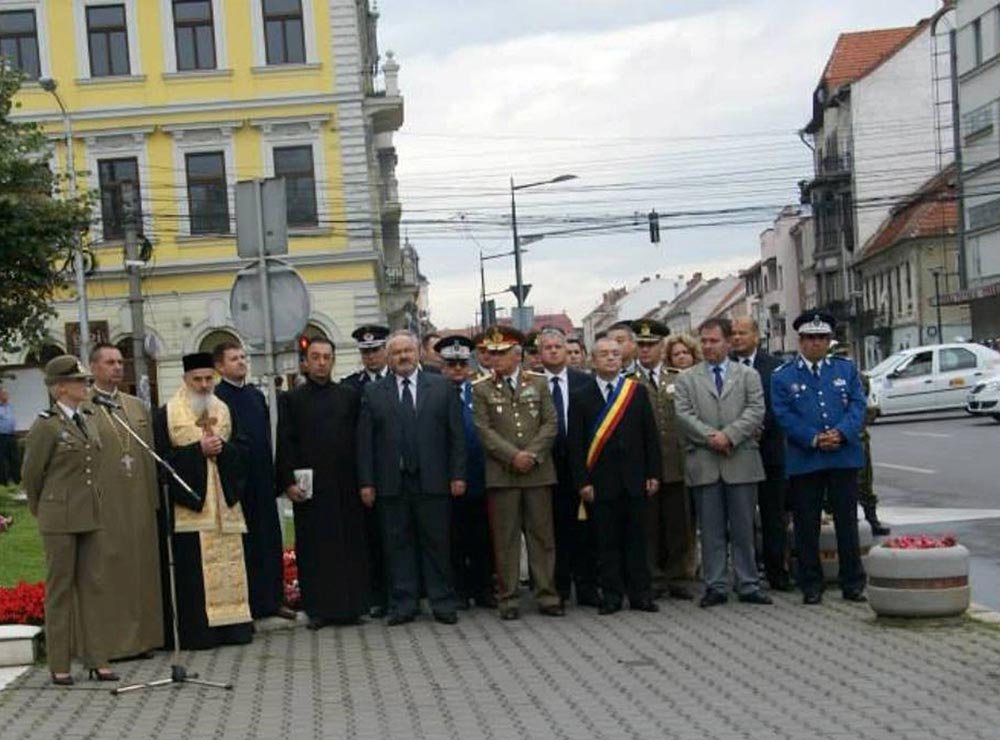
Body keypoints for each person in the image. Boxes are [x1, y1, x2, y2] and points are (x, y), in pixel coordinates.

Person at [357, 331, 466, 625]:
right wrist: (367, 482)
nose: (403, 357)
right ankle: (404, 604)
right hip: (392, 483)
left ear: (418, 352)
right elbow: (365, 443)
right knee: (398, 545)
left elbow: (456, 437)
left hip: (434, 480)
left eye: (407, 351)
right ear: (388, 359)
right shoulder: (374, 392)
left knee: (437, 543)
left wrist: (458, 475)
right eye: (396, 353)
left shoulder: (442, 387)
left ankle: (442, 602)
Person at [21, 356, 117, 685]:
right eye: (79, 381)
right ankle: (59, 664)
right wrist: (43, 508)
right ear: (60, 387)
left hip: (89, 512)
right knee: (60, 590)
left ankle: (97, 658)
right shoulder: (46, 426)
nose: (85, 386)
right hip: (58, 515)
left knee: (93, 587)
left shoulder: (87, 419)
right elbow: (31, 475)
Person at [153, 352, 253, 650]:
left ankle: (234, 630)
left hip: (225, 507)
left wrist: (223, 449)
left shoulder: (224, 409)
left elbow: (243, 450)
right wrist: (198, 451)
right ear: (185, 380)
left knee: (231, 569)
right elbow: (162, 463)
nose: (204, 385)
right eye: (197, 379)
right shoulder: (168, 413)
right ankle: (200, 634)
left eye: (209, 378)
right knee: (194, 576)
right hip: (191, 509)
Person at [771, 313, 868, 605]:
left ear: (828, 341)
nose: (816, 343)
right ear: (800, 342)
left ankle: (853, 583)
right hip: (806, 459)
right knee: (806, 525)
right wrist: (813, 438)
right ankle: (811, 584)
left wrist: (841, 433)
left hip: (842, 456)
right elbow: (783, 414)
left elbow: (857, 404)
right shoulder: (783, 375)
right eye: (810, 338)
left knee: (847, 523)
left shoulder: (845, 369)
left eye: (821, 338)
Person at [673, 318, 770, 608]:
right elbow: (683, 415)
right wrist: (711, 437)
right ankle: (715, 585)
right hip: (705, 461)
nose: (708, 346)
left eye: (714, 341)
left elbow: (756, 410)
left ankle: (748, 583)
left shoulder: (747, 375)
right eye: (703, 341)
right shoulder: (687, 378)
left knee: (743, 527)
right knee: (711, 529)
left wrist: (729, 436)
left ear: (728, 342)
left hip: (740, 459)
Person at [275, 337, 369, 629]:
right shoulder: (292, 399)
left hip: (346, 486)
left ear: (333, 360)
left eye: (326, 357)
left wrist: (365, 481)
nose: (321, 363)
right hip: (311, 489)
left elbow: (360, 441)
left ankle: (352, 606)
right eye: (315, 357)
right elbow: (285, 443)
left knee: (350, 546)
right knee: (315, 549)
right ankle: (318, 609)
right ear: (305, 361)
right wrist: (288, 482)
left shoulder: (349, 395)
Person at [471, 326, 563, 620]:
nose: (494, 359)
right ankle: (508, 598)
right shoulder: (481, 387)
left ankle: (547, 594)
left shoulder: (538, 383)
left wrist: (532, 455)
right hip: (503, 474)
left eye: (501, 353)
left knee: (541, 536)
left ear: (517, 355)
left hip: (537, 472)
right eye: (492, 353)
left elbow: (550, 423)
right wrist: (513, 456)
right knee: (506, 538)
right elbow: (483, 430)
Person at [569, 337, 661, 614]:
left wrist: (653, 473)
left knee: (637, 540)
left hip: (635, 479)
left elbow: (650, 437)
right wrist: (582, 482)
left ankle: (640, 594)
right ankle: (611, 595)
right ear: (593, 361)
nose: (610, 358)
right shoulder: (581, 396)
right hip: (600, 482)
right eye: (604, 354)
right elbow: (576, 444)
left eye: (615, 354)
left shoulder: (636, 391)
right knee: (606, 542)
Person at [86, 343, 164, 661]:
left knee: (141, 571)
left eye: (120, 362)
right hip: (107, 502)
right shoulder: (85, 407)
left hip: (139, 501)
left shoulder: (135, 406)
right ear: (93, 367)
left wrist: (155, 501)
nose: (117, 367)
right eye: (109, 362)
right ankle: (115, 643)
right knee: (111, 572)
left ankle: (145, 639)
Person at [213, 341, 295, 620]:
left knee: (269, 541)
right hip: (238, 483)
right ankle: (247, 603)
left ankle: (273, 599)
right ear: (220, 366)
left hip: (262, 479)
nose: (241, 362)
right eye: (234, 358)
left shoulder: (255, 396)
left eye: (243, 357)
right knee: (245, 546)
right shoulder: (217, 399)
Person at [630, 319, 694, 601]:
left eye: (651, 345)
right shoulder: (628, 381)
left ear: (661, 346)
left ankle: (677, 576)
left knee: (678, 524)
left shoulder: (677, 378)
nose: (645, 350)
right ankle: (653, 576)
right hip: (644, 465)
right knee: (649, 526)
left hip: (676, 462)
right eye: (641, 345)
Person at [730, 318, 793, 591]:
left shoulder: (775, 367)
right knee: (740, 518)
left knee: (773, 516)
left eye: (742, 333)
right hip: (735, 452)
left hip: (770, 452)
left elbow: (782, 406)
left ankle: (777, 571)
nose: (737, 338)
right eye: (733, 333)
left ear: (756, 335)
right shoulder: (724, 367)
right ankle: (745, 573)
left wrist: (760, 428)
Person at [538, 327, 599, 607]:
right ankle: (559, 587)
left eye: (557, 347)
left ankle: (586, 587)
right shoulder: (533, 383)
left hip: (582, 464)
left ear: (566, 351)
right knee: (555, 529)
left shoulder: (584, 382)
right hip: (548, 466)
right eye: (547, 347)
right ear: (539, 354)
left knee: (585, 529)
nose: (553, 351)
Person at [436, 335, 495, 609]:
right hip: (446, 478)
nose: (457, 369)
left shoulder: (482, 391)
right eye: (451, 364)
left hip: (481, 476)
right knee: (454, 538)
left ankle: (483, 588)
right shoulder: (435, 393)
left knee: (482, 536)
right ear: (442, 366)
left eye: (461, 363)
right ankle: (459, 590)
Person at [343, 324, 391, 618]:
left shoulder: (397, 382)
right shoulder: (351, 387)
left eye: (375, 351)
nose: (371, 357)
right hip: (368, 474)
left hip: (396, 471)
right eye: (366, 352)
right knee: (373, 538)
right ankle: (377, 595)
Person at [830, 342, 890, 536]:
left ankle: (871, 518)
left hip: (858, 437)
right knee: (836, 486)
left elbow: (863, 399)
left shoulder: (855, 376)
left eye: (844, 354)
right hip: (834, 436)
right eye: (838, 354)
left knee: (864, 481)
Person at [0, 387, 19, 487]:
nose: (6, 396)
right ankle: (4, 482)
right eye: (4, 394)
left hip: (11, 435)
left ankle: (17, 480)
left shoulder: (9, 406)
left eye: (7, 394)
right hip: (1, 437)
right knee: (2, 460)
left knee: (15, 458)